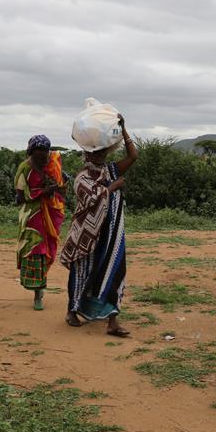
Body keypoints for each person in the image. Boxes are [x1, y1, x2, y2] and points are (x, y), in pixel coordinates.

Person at [60, 115, 138, 335]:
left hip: (110, 233)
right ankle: (72, 311)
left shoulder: (110, 170)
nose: (100, 155)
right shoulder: (82, 177)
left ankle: (112, 321)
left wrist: (124, 129)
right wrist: (113, 187)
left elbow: (133, 156)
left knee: (113, 271)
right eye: (96, 153)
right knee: (82, 273)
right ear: (87, 154)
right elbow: (90, 199)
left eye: (103, 152)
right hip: (86, 234)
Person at [14, 136, 66, 311]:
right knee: (35, 250)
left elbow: (62, 184)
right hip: (31, 218)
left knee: (47, 251)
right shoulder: (24, 168)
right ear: (31, 152)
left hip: (48, 214)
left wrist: (56, 189)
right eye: (39, 152)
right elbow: (20, 196)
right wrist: (42, 192)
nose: (43, 156)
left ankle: (39, 290)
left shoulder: (51, 165)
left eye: (45, 152)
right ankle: (37, 293)